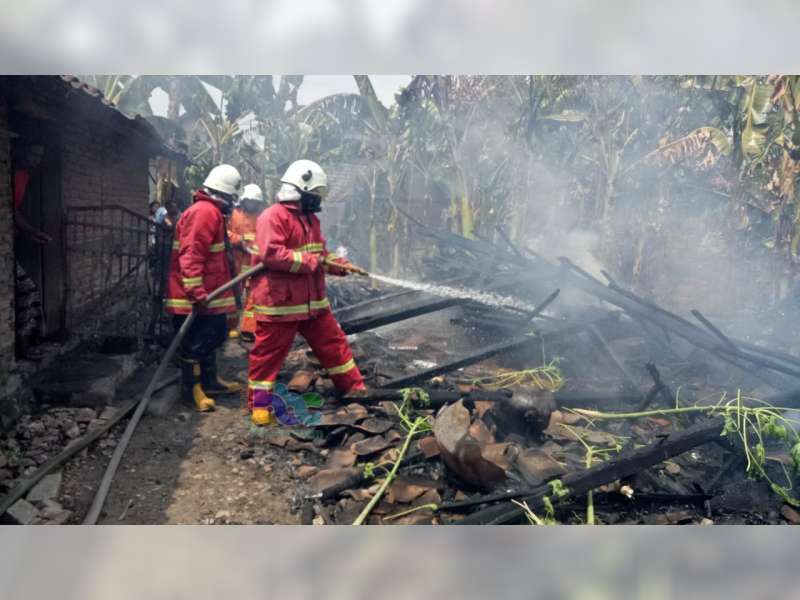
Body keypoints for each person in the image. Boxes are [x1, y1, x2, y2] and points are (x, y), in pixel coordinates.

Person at [247, 160, 368, 426]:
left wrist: (343, 267)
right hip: (281, 304)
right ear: (300, 190)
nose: (318, 201)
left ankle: (354, 388)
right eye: (315, 195)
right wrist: (312, 262)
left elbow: (321, 254)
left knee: (335, 346)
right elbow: (272, 254)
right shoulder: (273, 216)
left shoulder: (310, 220)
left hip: (313, 303)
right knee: (268, 356)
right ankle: (259, 405)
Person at [164, 164, 243, 412]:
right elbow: (191, 256)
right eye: (232, 197)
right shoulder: (204, 213)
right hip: (194, 298)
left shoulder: (210, 212)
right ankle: (192, 391)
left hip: (209, 295)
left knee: (215, 336)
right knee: (196, 344)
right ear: (225, 193)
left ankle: (210, 382)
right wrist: (196, 293)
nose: (232, 203)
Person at [11, 143, 49, 360]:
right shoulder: (10, 171)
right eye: (32, 154)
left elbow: (13, 210)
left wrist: (31, 232)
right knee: (28, 290)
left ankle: (28, 342)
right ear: (19, 150)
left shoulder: (24, 176)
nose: (35, 160)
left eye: (39, 156)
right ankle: (23, 345)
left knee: (25, 292)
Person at [227, 183, 266, 342]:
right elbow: (223, 232)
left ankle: (249, 329)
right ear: (244, 200)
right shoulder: (233, 214)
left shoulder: (262, 217)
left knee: (254, 296)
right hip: (236, 260)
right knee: (233, 296)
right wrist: (238, 240)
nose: (253, 205)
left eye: (256, 203)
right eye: (251, 202)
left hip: (254, 262)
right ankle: (230, 327)